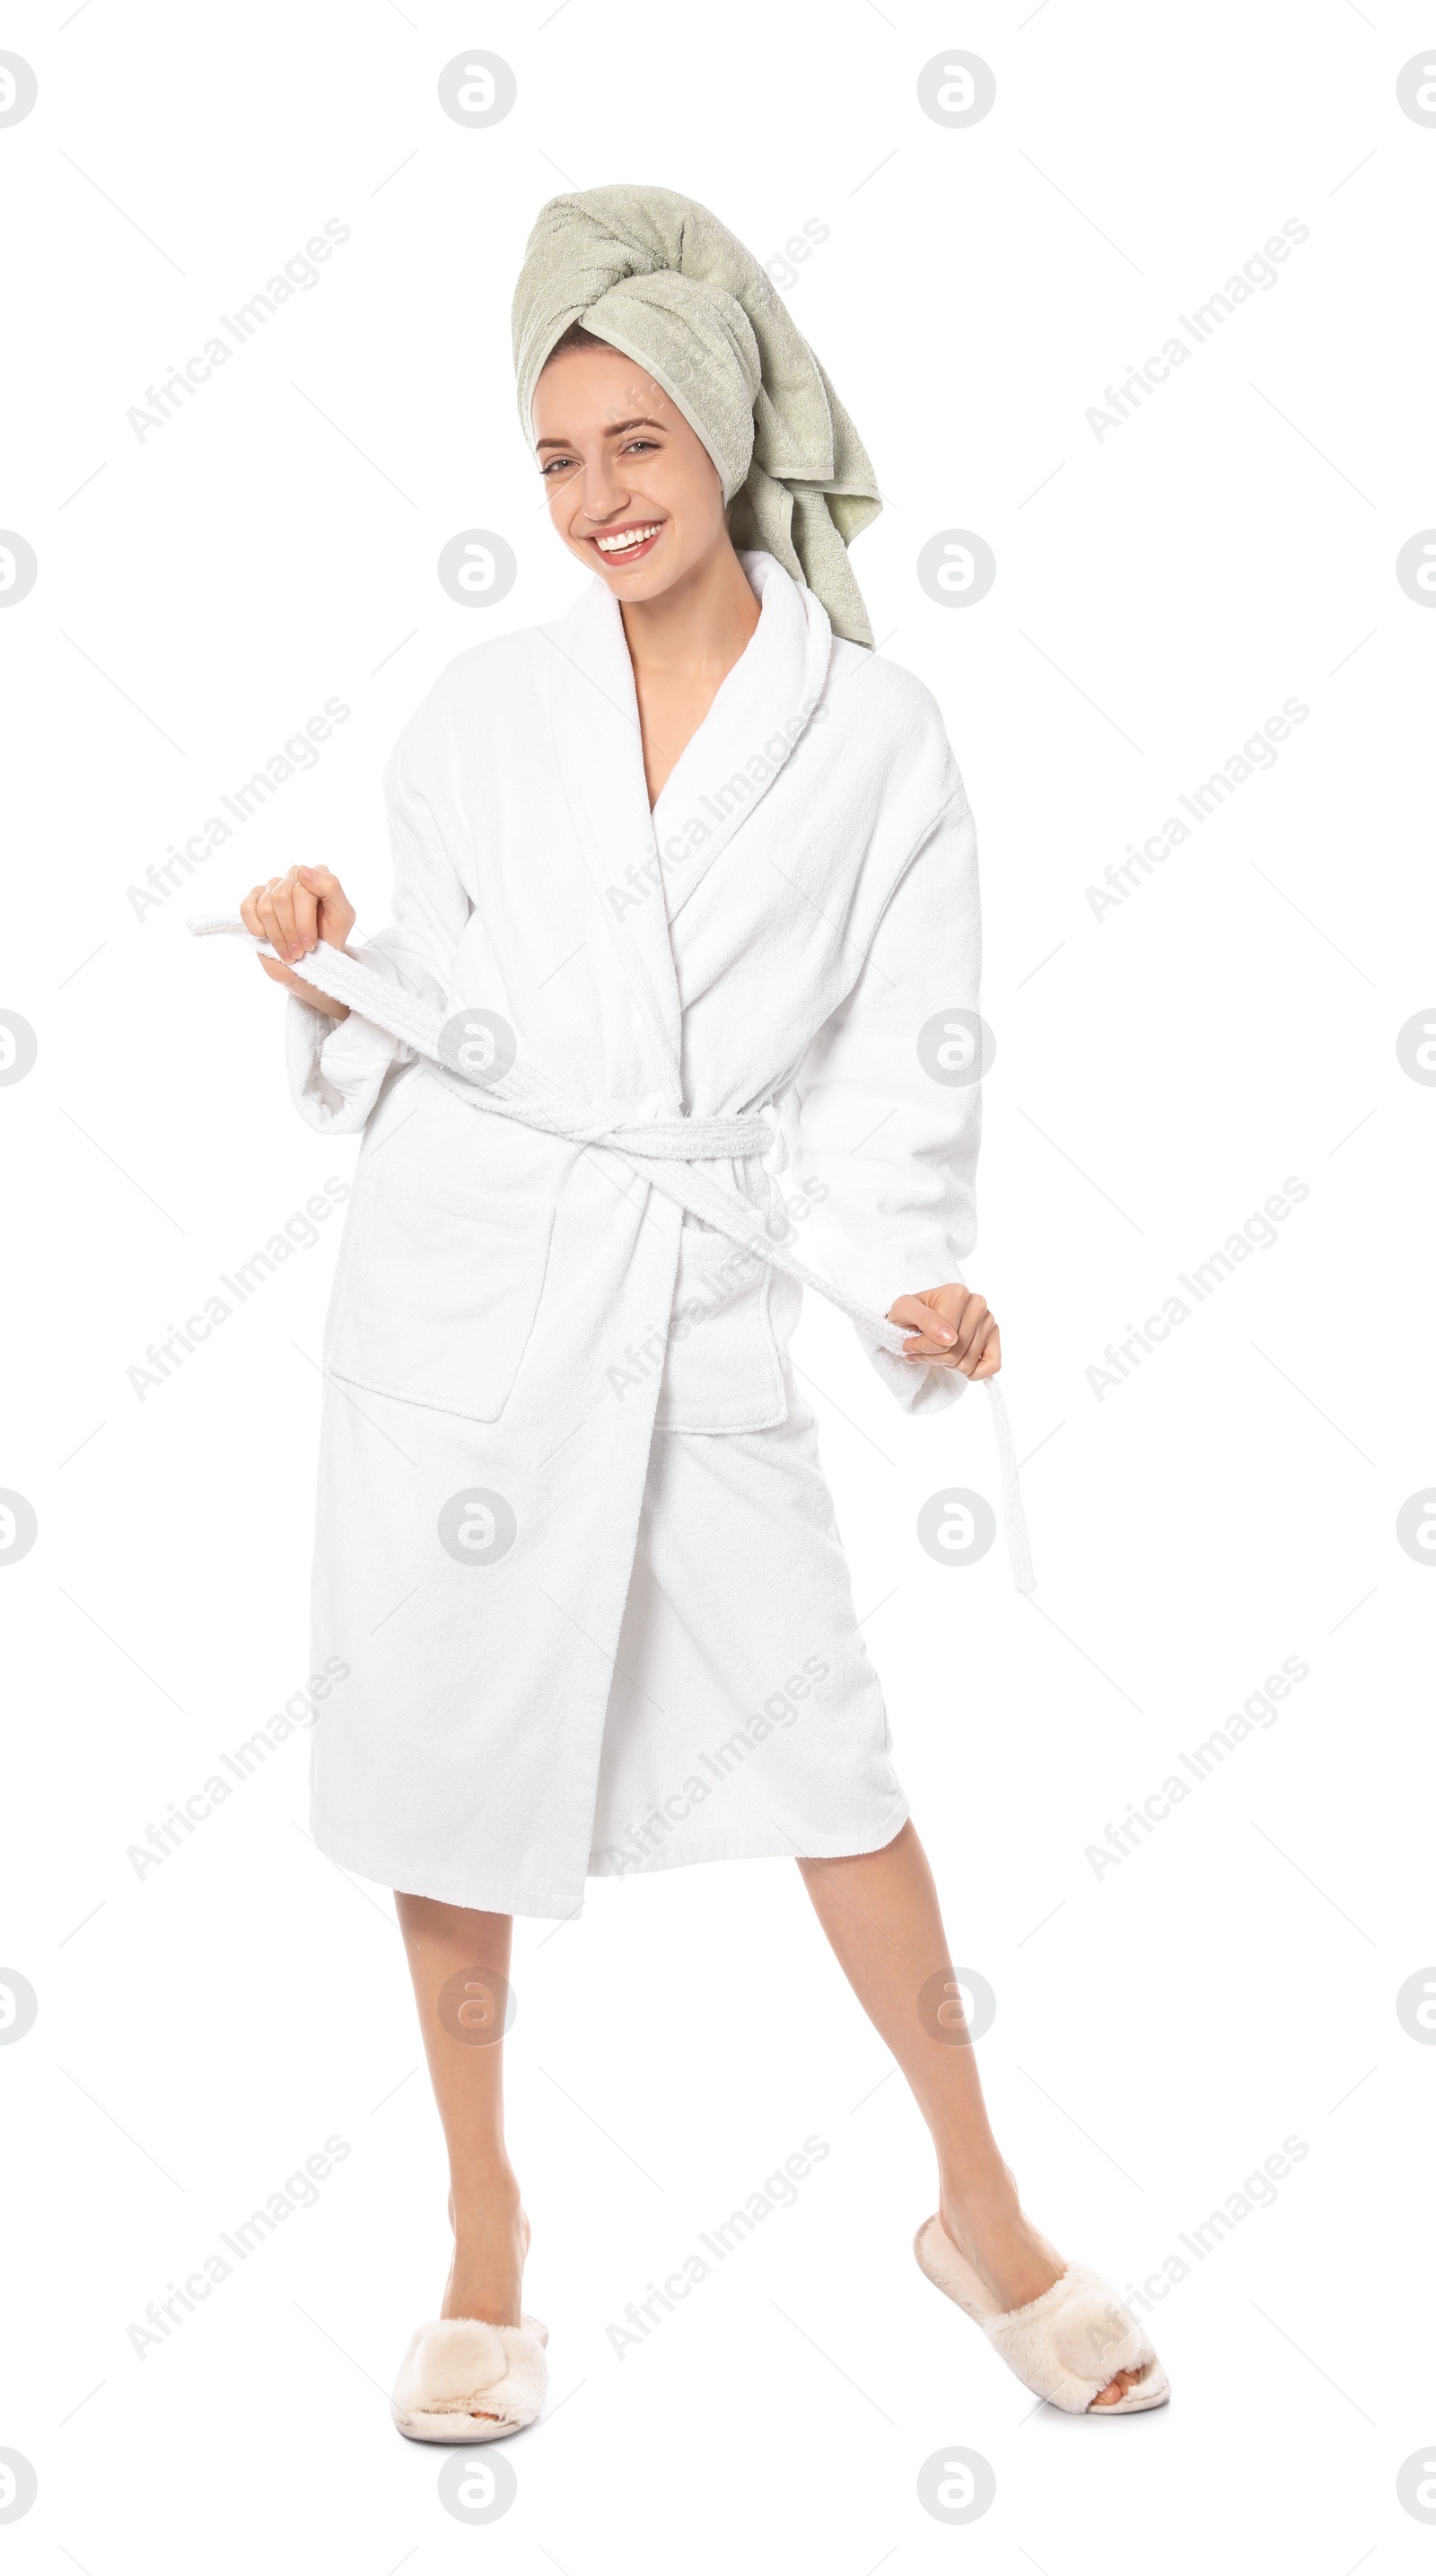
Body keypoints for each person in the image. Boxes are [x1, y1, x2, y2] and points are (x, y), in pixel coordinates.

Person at [230, 185, 1168, 2432]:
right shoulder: (476, 711)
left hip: (698, 1295)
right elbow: (429, 1015)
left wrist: (915, 1284)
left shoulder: (874, 740)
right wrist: (325, 952)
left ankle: (981, 2215)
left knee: (835, 1769)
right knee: (447, 1765)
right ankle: (484, 2236)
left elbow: (905, 1053)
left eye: (634, 445)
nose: (596, 503)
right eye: (557, 461)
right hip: (464, 1287)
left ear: (726, 435)